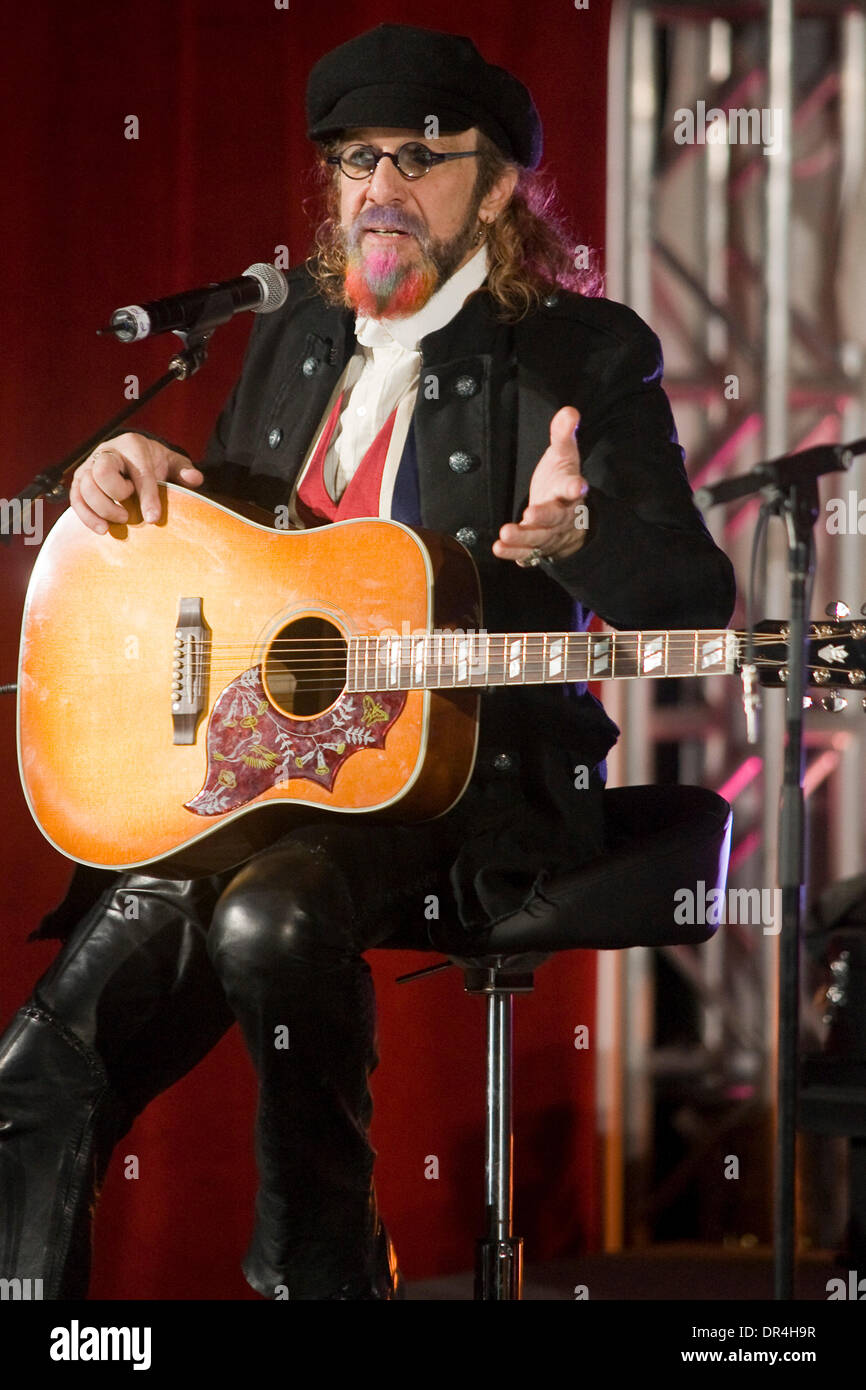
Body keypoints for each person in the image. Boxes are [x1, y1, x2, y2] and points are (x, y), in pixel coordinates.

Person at [0, 23, 736, 1300]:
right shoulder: (292, 337)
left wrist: (580, 536)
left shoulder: (579, 351)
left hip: (467, 783)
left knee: (274, 908)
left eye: (416, 158)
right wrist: (129, 478)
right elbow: (244, 551)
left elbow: (695, 594)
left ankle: (319, 1269)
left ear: (496, 188)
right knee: (36, 1076)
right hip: (275, 782)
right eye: (351, 162)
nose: (376, 191)